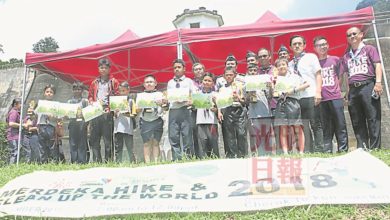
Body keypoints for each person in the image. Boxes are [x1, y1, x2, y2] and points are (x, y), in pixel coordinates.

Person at [340, 27, 383, 150]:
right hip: (353, 89)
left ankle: (375, 148)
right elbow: (346, 75)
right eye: (349, 35)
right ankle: (362, 147)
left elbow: (377, 65)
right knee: (357, 119)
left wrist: (378, 83)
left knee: (373, 117)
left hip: (368, 85)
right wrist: (347, 93)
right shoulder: (346, 56)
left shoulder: (369, 49)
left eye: (354, 34)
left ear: (361, 35)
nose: (352, 36)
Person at [288, 35, 324, 153]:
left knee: (315, 124)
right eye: (294, 44)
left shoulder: (311, 57)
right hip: (297, 99)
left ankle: (319, 149)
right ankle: (309, 149)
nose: (297, 46)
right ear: (291, 47)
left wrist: (318, 92)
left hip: (311, 94)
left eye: (299, 43)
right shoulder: (290, 64)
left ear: (304, 45)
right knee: (303, 125)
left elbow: (318, 75)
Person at [313, 36, 348, 153]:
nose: (322, 47)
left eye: (324, 44)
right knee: (326, 127)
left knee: (340, 124)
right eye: (319, 45)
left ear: (328, 45)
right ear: (315, 48)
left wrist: (336, 89)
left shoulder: (335, 59)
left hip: (335, 97)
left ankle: (343, 149)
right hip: (321, 99)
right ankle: (327, 150)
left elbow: (340, 76)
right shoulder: (314, 63)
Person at [274, 58, 309, 154]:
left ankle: (301, 151)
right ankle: (285, 152)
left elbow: (307, 84)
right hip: (281, 103)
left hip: (293, 102)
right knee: (283, 128)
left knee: (297, 127)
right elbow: (273, 93)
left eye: (283, 64)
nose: (281, 67)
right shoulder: (275, 78)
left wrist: (293, 90)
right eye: (279, 65)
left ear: (287, 66)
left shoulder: (295, 76)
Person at [88, 58, 119, 162]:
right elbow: (90, 96)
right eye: (101, 68)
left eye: (106, 68)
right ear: (98, 69)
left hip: (107, 111)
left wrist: (111, 109)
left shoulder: (113, 82)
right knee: (94, 138)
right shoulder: (94, 82)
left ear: (109, 69)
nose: (103, 70)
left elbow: (117, 96)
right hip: (96, 112)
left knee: (107, 139)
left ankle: (108, 160)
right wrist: (91, 102)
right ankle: (97, 160)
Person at [165, 59, 194, 160]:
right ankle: (177, 158)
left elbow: (194, 96)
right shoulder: (170, 83)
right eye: (175, 68)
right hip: (174, 110)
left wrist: (191, 101)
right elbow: (168, 98)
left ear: (184, 69)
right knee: (173, 136)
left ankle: (188, 158)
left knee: (187, 135)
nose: (177, 69)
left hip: (185, 110)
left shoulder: (189, 81)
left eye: (179, 67)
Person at [217, 66, 248, 158]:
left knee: (241, 133)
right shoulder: (222, 88)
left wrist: (238, 97)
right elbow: (219, 102)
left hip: (239, 109)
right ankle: (231, 155)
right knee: (229, 134)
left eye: (231, 75)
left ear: (235, 75)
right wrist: (219, 112)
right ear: (224, 76)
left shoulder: (240, 86)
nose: (229, 77)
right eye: (227, 75)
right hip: (227, 110)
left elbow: (245, 101)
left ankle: (242, 154)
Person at [245, 63, 274, 155]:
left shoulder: (263, 82)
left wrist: (270, 87)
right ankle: (261, 154)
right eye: (250, 71)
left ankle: (269, 154)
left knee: (267, 135)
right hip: (254, 114)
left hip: (265, 112)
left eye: (254, 70)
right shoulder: (245, 84)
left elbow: (270, 97)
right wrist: (249, 93)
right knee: (257, 136)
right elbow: (245, 101)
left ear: (257, 72)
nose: (253, 72)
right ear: (247, 72)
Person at [138, 75, 165, 163]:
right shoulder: (140, 95)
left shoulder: (160, 94)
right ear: (144, 84)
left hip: (157, 120)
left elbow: (165, 107)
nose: (149, 84)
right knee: (146, 143)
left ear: (155, 83)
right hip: (144, 120)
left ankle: (156, 162)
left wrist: (162, 103)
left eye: (151, 82)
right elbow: (137, 109)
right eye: (147, 82)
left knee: (156, 142)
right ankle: (147, 162)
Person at [194, 72, 220, 158]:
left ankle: (216, 160)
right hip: (200, 122)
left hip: (212, 122)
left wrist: (215, 109)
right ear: (201, 81)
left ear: (213, 83)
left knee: (213, 143)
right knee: (202, 144)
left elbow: (219, 110)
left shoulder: (215, 95)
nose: (207, 82)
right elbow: (194, 108)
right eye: (205, 80)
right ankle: (203, 161)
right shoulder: (197, 94)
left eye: (209, 81)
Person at [36, 84, 63, 163]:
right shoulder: (40, 103)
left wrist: (53, 117)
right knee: (41, 146)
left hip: (51, 126)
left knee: (52, 145)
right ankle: (43, 162)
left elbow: (59, 117)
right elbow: (36, 115)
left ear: (53, 94)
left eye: (51, 92)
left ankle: (54, 162)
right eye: (47, 92)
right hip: (41, 126)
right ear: (44, 93)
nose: (49, 93)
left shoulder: (56, 104)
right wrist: (37, 125)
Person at [113, 81, 136, 163]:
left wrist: (126, 114)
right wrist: (115, 113)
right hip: (117, 127)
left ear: (128, 90)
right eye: (120, 91)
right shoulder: (115, 101)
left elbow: (134, 114)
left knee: (130, 147)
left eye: (124, 91)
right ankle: (118, 162)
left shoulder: (131, 101)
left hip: (128, 127)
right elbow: (114, 116)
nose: (122, 93)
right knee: (118, 146)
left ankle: (132, 162)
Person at [67, 82, 89, 163]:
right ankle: (74, 160)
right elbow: (67, 114)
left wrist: (87, 124)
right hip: (72, 123)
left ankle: (82, 160)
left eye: (79, 89)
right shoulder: (69, 102)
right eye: (75, 89)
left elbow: (88, 114)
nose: (77, 91)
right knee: (73, 143)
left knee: (82, 142)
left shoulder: (85, 101)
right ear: (73, 90)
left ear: (82, 90)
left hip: (82, 124)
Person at [191, 62, 205, 158]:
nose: (198, 71)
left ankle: (210, 154)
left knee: (208, 134)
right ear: (193, 72)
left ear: (204, 70)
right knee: (195, 134)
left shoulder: (209, 81)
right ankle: (198, 156)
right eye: (196, 69)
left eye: (200, 69)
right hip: (194, 112)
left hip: (207, 111)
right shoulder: (190, 83)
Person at [6, 98, 22, 164]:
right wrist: (22, 125)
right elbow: (11, 123)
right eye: (20, 104)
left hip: (14, 135)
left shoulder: (14, 112)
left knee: (15, 152)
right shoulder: (14, 112)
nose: (21, 105)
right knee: (15, 152)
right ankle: (11, 168)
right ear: (15, 104)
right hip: (13, 136)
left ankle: (13, 167)